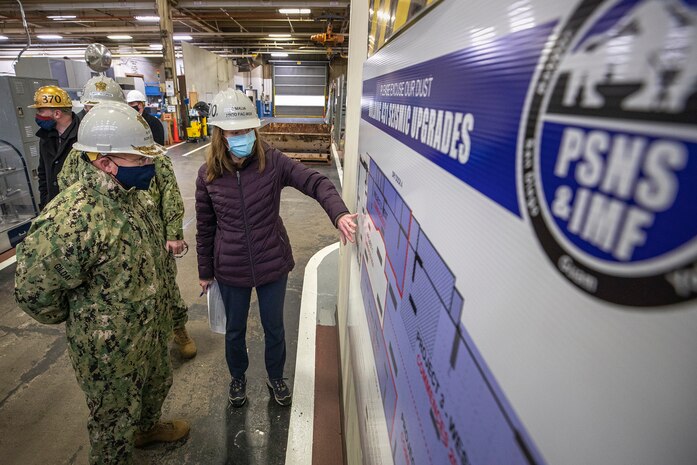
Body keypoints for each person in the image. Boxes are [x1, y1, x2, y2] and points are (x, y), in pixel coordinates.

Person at [15, 102, 190, 465]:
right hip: (110, 350)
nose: (149, 167)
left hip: (150, 331)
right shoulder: (73, 216)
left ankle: (147, 429)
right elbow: (34, 291)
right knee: (112, 425)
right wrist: (91, 317)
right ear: (105, 162)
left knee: (156, 384)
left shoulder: (134, 197)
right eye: (138, 160)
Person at [195, 89, 357, 407]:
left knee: (275, 327)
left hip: (272, 261)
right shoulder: (208, 175)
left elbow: (316, 182)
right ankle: (237, 379)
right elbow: (205, 227)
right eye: (234, 132)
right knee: (235, 331)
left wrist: (338, 213)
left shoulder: (273, 162)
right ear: (220, 134)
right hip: (230, 266)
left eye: (246, 131)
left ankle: (276, 378)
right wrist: (205, 271)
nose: (242, 137)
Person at [58, 108, 198, 359]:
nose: (147, 165)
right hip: (109, 257)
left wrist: (172, 232)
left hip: (149, 234)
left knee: (164, 285)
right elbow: (41, 292)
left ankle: (175, 328)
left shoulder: (139, 161)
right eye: (140, 161)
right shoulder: (75, 201)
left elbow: (169, 192)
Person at [29, 85, 80, 209]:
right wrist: (45, 203)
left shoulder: (84, 135)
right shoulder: (45, 136)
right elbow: (43, 174)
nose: (38, 115)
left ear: (57, 113)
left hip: (79, 209)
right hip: (54, 208)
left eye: (41, 111)